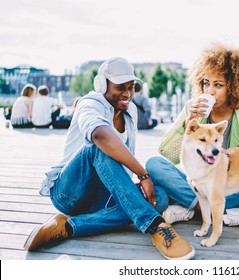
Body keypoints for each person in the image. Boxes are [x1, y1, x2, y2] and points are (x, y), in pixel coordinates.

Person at [23, 57, 195, 260]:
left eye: (131, 87)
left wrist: (134, 184)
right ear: (102, 85)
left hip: (102, 197)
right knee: (99, 148)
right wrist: (143, 174)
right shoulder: (90, 103)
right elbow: (100, 136)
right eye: (120, 87)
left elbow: (120, 159)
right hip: (69, 193)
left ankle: (69, 227)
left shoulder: (129, 110)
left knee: (159, 197)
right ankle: (155, 225)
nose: (127, 93)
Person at [146, 43, 239, 227]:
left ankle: (189, 208)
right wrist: (189, 122)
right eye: (206, 83)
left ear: (234, 87)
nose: (210, 91)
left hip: (226, 186)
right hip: (194, 182)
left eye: (218, 85)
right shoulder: (191, 109)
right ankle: (214, 210)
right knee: (154, 164)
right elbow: (166, 152)